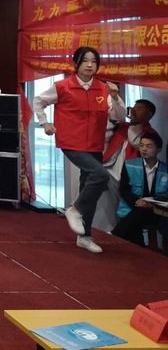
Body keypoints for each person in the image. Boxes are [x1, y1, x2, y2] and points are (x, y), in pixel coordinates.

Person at [33, 46, 126, 254]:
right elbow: (38, 101)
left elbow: (119, 116)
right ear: (76, 63)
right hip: (71, 143)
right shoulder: (63, 86)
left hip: (95, 144)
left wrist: (115, 97)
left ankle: (84, 236)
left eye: (94, 61)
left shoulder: (103, 89)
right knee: (101, 175)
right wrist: (45, 123)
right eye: (85, 61)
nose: (90, 65)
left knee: (88, 188)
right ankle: (75, 209)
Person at [95, 98, 158, 232]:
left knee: (121, 203)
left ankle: (113, 231)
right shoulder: (122, 126)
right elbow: (104, 138)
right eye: (133, 108)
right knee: (93, 179)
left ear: (149, 114)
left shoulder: (151, 134)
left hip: (130, 173)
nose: (133, 110)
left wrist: (135, 123)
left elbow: (136, 143)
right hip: (110, 166)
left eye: (139, 109)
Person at [112, 132, 168, 248]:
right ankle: (139, 246)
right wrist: (137, 201)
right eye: (141, 145)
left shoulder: (165, 169)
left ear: (159, 149)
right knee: (140, 213)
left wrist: (152, 205)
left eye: (149, 146)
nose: (144, 149)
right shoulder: (130, 165)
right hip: (133, 208)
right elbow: (124, 189)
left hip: (156, 212)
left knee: (140, 216)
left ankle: (115, 234)